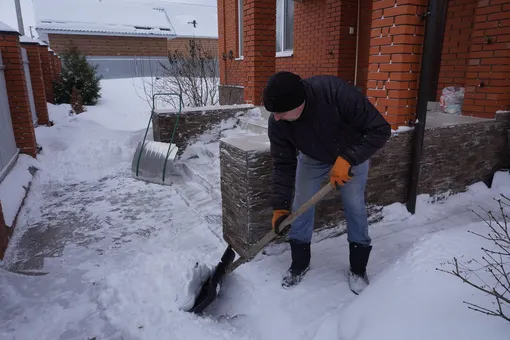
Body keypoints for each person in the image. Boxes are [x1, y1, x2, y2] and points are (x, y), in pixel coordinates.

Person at [264, 71, 391, 294]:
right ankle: (299, 263)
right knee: (300, 206)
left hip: (352, 155)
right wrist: (279, 206)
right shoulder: (278, 122)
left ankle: (358, 268)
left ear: (299, 103)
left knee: (354, 206)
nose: (276, 117)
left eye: (281, 112)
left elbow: (380, 129)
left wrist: (349, 158)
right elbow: (283, 164)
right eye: (274, 113)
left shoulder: (334, 93)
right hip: (312, 157)